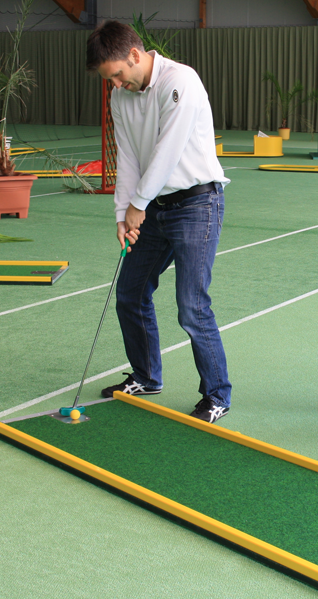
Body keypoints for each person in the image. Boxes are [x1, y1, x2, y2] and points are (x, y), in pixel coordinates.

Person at [85, 21, 232, 423]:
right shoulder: (121, 96)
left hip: (197, 205)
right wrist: (123, 214)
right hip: (153, 208)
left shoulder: (180, 81)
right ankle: (147, 377)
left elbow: (168, 151)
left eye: (117, 74)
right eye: (108, 79)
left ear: (135, 55)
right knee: (130, 292)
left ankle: (216, 394)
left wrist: (136, 206)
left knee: (192, 306)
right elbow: (129, 158)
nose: (115, 83)